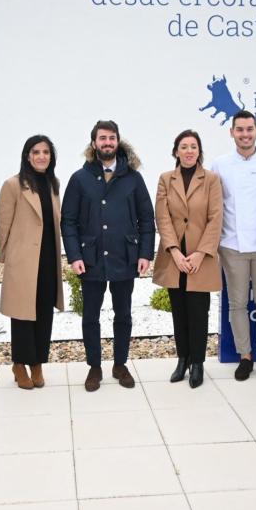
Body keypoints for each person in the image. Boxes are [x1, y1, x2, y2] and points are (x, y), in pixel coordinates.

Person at [61, 120, 155, 391]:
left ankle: (120, 364)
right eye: (102, 138)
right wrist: (74, 255)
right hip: (90, 260)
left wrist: (145, 253)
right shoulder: (80, 179)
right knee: (90, 316)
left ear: (118, 141)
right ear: (94, 144)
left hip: (125, 257)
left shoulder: (133, 178)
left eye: (111, 138)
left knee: (123, 314)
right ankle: (94, 367)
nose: (107, 143)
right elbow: (68, 221)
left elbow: (146, 219)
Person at [211, 110, 256, 383]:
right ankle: (244, 357)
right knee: (237, 304)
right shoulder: (220, 164)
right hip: (232, 245)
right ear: (232, 132)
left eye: (249, 129)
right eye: (239, 130)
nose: (245, 134)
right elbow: (216, 205)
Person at [154, 130, 223, 388]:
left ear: (199, 151)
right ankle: (182, 359)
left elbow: (216, 218)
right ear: (176, 151)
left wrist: (199, 253)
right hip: (175, 258)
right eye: (184, 146)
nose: (189, 151)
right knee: (179, 312)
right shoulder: (165, 179)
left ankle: (197, 363)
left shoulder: (211, 180)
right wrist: (174, 251)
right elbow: (162, 217)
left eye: (194, 146)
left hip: (199, 258)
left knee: (198, 312)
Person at [0, 135, 65, 389]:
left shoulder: (53, 184)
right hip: (23, 261)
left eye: (46, 152)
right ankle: (19, 364)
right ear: (27, 156)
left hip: (47, 258)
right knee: (23, 315)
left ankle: (37, 363)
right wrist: (7, 255)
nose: (41, 156)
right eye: (36, 152)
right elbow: (3, 222)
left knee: (44, 312)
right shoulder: (13, 185)